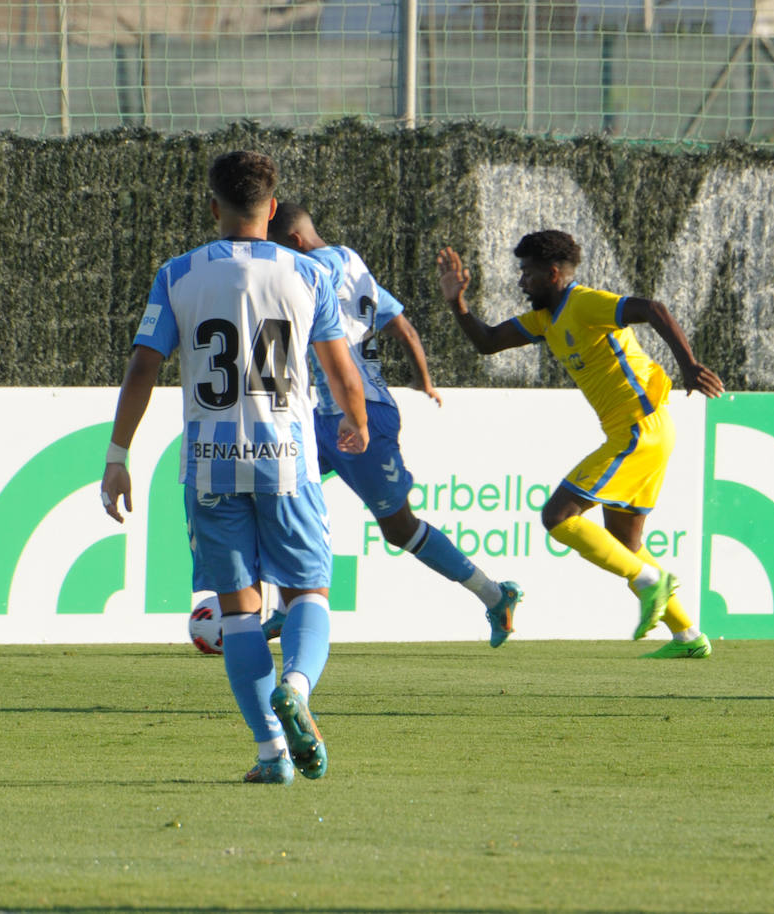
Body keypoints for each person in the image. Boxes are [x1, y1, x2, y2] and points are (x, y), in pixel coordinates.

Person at [100, 151, 369, 785]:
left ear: (213, 207)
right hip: (288, 465)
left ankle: (272, 752)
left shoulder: (177, 275)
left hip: (211, 469)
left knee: (241, 612)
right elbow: (340, 371)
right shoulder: (309, 275)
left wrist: (117, 456)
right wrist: (355, 418)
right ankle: (297, 688)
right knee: (308, 591)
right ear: (273, 210)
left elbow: (143, 366)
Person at [436, 231, 725, 658]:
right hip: (643, 431)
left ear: (553, 274)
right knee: (625, 543)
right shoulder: (544, 320)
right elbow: (488, 342)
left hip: (639, 429)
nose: (521, 283)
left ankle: (652, 583)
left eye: (528, 274)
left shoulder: (584, 303)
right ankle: (688, 635)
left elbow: (653, 309)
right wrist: (457, 302)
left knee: (558, 515)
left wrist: (688, 364)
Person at [258, 202, 523, 647]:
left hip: (359, 414)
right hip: (322, 414)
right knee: (275, 487)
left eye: (278, 248)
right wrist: (424, 379)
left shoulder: (309, 268)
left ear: (296, 243)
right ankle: (287, 608)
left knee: (399, 528)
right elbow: (403, 326)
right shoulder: (352, 264)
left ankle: (495, 595)